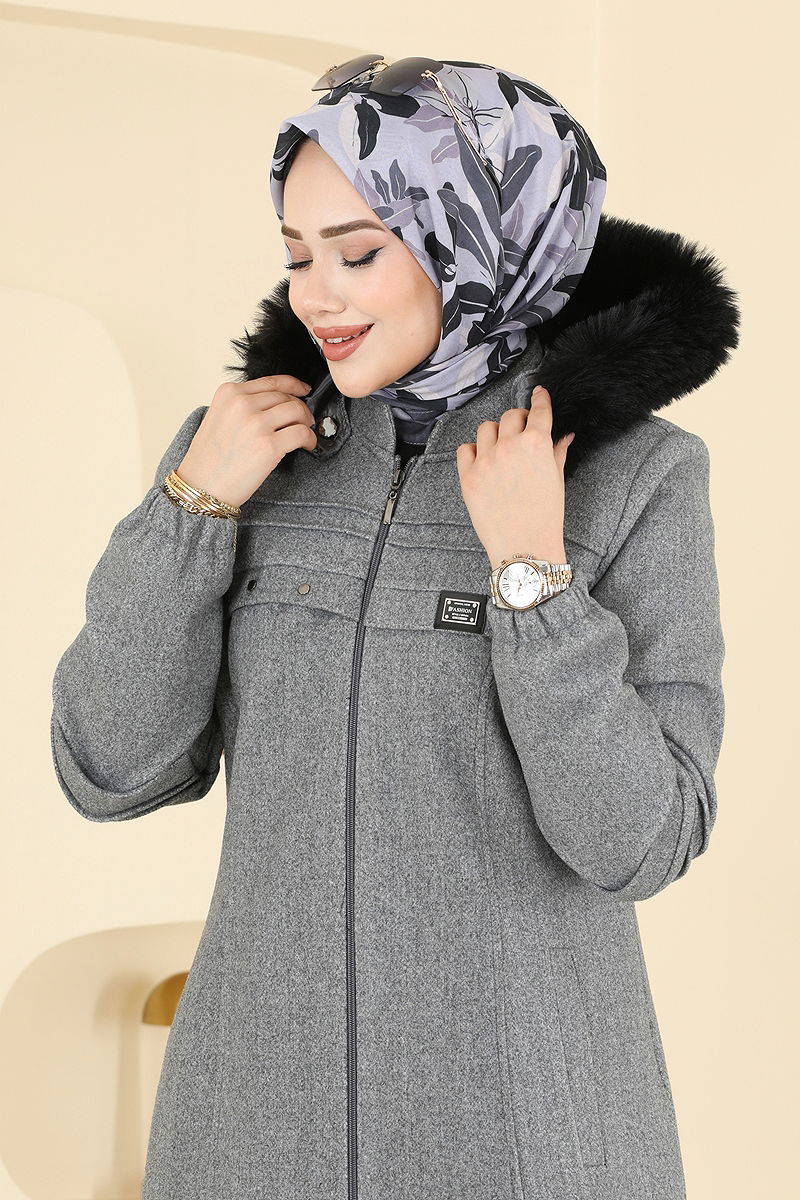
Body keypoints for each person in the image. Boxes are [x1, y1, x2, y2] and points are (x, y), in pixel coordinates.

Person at [50, 57, 740, 1199]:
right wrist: (190, 508)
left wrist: (531, 579)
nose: (314, 296)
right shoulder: (249, 454)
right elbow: (107, 767)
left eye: (359, 252)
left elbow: (640, 840)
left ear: (478, 242)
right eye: (295, 254)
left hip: (526, 1141)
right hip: (249, 1139)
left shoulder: (635, 475)